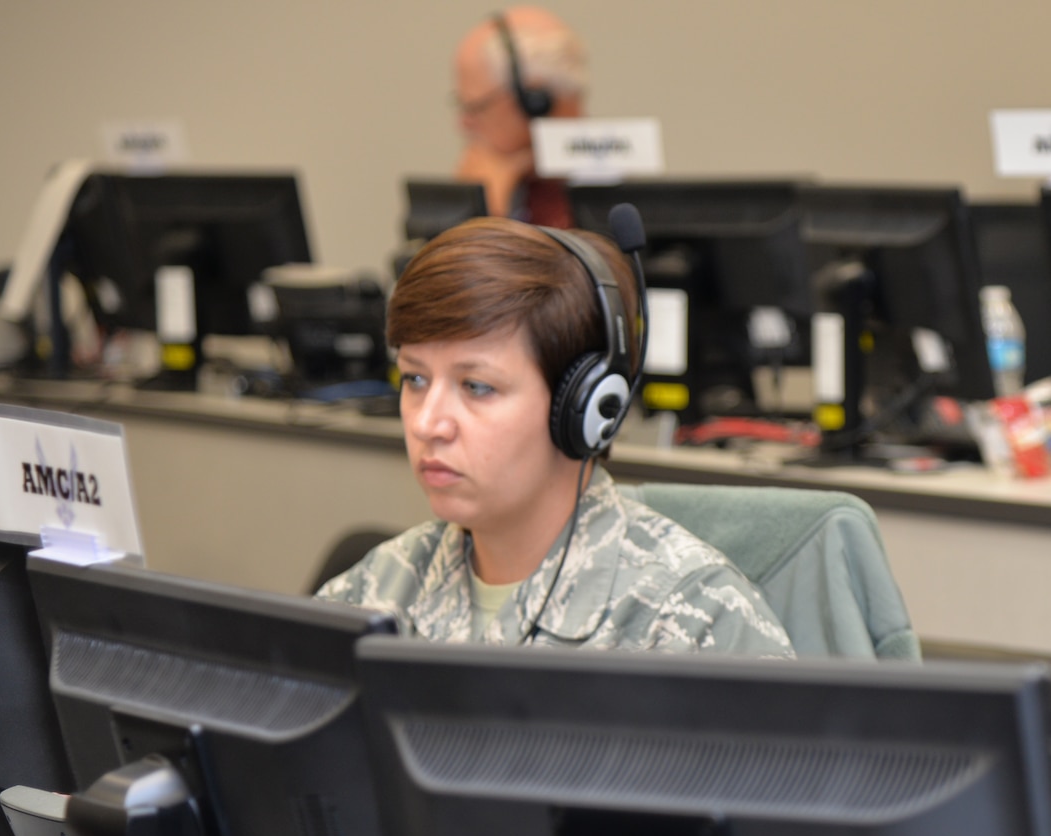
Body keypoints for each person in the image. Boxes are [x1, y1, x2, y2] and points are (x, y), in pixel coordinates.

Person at [318, 217, 792, 657]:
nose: (427, 424)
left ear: (583, 407)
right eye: (415, 380)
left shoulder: (695, 622)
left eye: (477, 386)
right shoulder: (377, 591)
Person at [452, 7, 587, 227]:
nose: (463, 123)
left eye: (474, 107)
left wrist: (487, 220)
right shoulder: (505, 183)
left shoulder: (608, 209)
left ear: (535, 103)